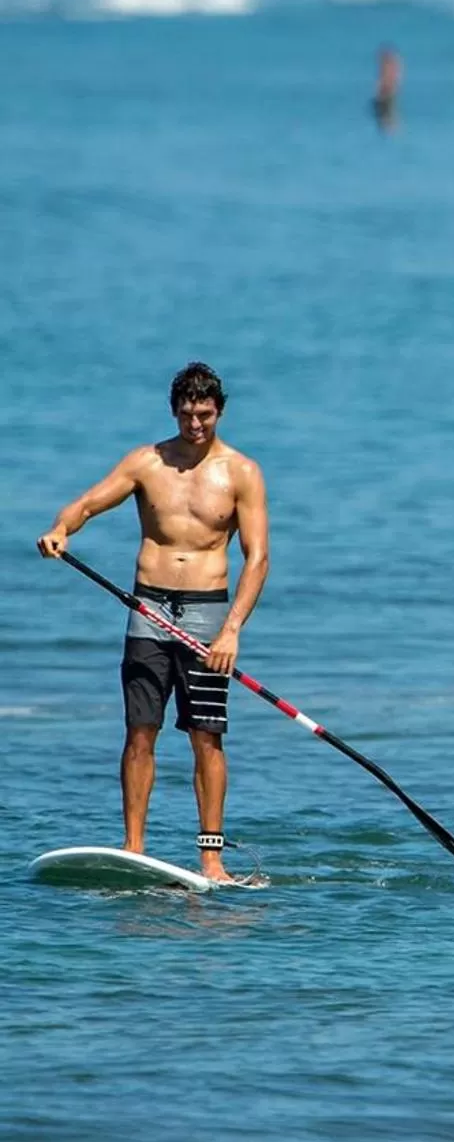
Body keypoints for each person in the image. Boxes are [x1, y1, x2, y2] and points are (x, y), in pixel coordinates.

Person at [36, 363, 270, 883]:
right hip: (148, 613)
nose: (196, 425)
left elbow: (258, 558)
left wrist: (232, 630)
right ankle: (134, 846)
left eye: (205, 415)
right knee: (140, 731)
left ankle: (211, 857)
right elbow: (90, 502)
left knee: (206, 737)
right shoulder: (148, 462)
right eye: (187, 415)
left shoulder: (241, 472)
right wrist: (61, 528)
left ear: (220, 412)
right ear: (175, 411)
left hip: (209, 617)